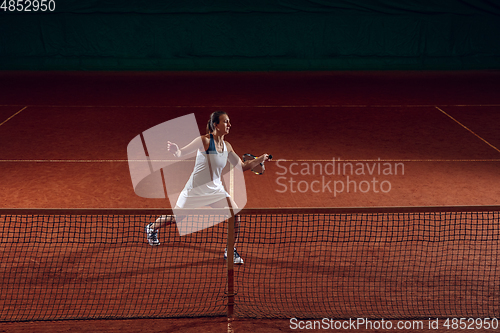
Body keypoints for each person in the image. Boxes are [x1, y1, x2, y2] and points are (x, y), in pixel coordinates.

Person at [145, 111, 269, 264]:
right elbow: (181, 153)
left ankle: (230, 250)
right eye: (226, 122)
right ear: (216, 124)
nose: (229, 125)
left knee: (235, 215)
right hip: (194, 190)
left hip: (215, 190)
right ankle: (151, 227)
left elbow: (242, 166)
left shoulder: (227, 146)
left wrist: (260, 159)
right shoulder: (203, 141)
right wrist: (176, 150)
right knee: (178, 219)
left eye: (229, 122)